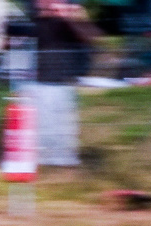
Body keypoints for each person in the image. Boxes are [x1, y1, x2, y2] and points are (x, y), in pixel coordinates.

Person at [30, 0, 99, 167]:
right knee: (39, 127)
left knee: (62, 127)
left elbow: (91, 37)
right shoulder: (36, 20)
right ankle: (41, 161)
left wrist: (72, 17)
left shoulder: (68, 17)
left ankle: (61, 162)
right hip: (38, 83)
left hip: (62, 83)